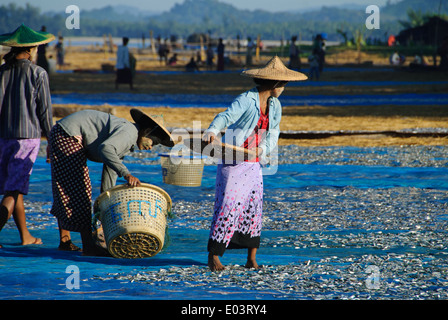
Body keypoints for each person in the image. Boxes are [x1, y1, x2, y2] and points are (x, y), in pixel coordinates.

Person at [202, 56, 307, 271]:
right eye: (283, 84)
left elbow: (274, 131)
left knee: (253, 207)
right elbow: (226, 116)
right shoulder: (246, 100)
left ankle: (251, 258)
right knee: (227, 207)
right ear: (275, 84)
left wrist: (262, 149)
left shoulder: (275, 105)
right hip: (233, 161)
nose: (284, 88)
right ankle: (214, 257)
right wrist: (212, 130)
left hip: (253, 162)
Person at [49, 109, 174, 256]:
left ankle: (66, 243)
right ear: (146, 132)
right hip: (68, 134)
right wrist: (127, 174)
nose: (150, 147)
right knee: (79, 189)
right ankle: (88, 247)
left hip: (65, 132)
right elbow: (106, 149)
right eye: (153, 142)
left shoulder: (126, 140)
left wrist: (105, 205)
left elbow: (110, 171)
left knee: (67, 187)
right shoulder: (129, 133)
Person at [0, 24, 55, 248]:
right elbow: (44, 111)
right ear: (31, 49)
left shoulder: (2, 72)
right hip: (27, 138)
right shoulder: (38, 73)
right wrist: (52, 140)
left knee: (14, 188)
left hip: (4, 137)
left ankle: (26, 236)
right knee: (14, 190)